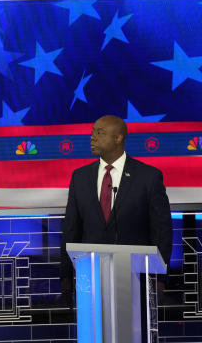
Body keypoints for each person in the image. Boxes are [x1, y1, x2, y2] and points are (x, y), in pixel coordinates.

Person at [61, 115, 172, 305]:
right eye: (92, 132)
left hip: (136, 281)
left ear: (118, 138)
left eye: (100, 132)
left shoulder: (148, 177)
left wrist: (160, 277)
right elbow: (71, 228)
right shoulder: (80, 177)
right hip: (91, 280)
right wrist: (65, 277)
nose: (92, 137)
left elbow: (161, 229)